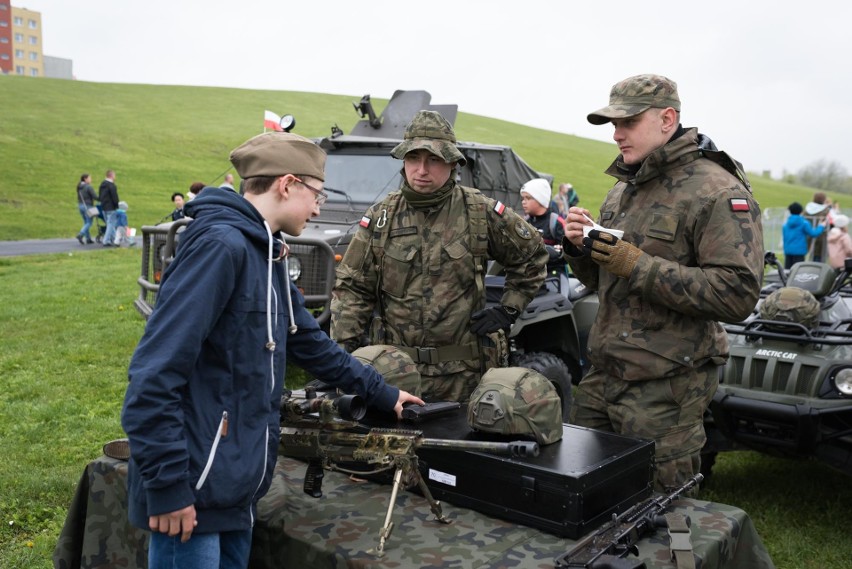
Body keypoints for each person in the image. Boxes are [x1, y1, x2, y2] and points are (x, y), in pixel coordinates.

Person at [121, 131, 422, 569]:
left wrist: (383, 393)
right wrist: (167, 487)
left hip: (233, 487)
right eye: (316, 193)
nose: (319, 206)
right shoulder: (220, 248)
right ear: (286, 184)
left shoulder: (269, 253)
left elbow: (309, 343)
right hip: (190, 492)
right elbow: (153, 375)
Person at [561, 74, 764, 492]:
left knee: (659, 514)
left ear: (667, 119)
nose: (616, 135)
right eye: (612, 125)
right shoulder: (623, 191)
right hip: (603, 376)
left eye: (627, 122)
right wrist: (581, 249)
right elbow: (605, 282)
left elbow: (736, 294)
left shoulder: (716, 190)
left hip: (665, 388)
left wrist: (634, 263)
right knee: (583, 497)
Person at [331, 110, 548, 403]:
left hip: (465, 377)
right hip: (395, 375)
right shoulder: (382, 217)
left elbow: (532, 256)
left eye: (433, 160)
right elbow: (353, 291)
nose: (421, 169)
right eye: (413, 158)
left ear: (452, 162)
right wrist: (340, 364)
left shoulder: (479, 212)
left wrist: (508, 309)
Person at [519, 177, 566, 276]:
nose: (523, 201)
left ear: (541, 199)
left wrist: (550, 252)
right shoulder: (524, 222)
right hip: (528, 276)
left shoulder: (557, 223)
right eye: (523, 198)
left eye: (528, 198)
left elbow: (566, 254)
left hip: (553, 277)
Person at [783, 201, 825, 269]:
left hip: (788, 250)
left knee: (787, 271)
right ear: (801, 211)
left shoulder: (785, 224)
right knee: (797, 271)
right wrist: (821, 226)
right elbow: (813, 234)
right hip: (799, 252)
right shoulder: (804, 223)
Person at [804, 191, 832, 262]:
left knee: (808, 255)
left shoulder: (807, 209)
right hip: (821, 235)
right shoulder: (826, 210)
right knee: (819, 256)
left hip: (807, 234)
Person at [99, 169, 120, 247]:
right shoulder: (112, 185)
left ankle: (115, 238)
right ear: (111, 176)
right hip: (111, 207)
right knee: (111, 224)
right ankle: (106, 240)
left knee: (109, 224)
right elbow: (115, 197)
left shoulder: (102, 184)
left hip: (104, 207)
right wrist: (117, 206)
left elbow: (100, 196)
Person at [75, 173, 97, 245]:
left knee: (86, 222)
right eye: (89, 178)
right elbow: (95, 196)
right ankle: (81, 234)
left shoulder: (79, 187)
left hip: (80, 205)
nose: (91, 179)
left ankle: (88, 238)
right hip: (88, 206)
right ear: (85, 179)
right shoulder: (88, 187)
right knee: (89, 222)